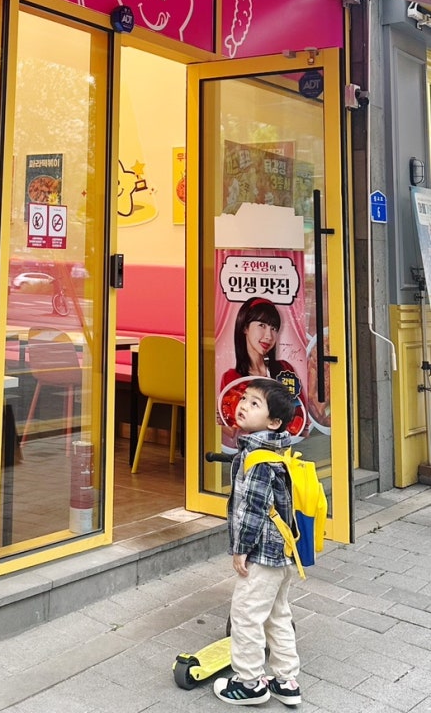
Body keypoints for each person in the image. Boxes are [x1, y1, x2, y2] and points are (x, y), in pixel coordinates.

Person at [214, 378, 301, 707]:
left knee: (246, 615)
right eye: (245, 399)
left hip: (262, 553)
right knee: (277, 614)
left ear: (273, 422)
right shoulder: (276, 450)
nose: (243, 406)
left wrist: (241, 549)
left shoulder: (259, 459)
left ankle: (249, 682)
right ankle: (286, 680)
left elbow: (252, 510)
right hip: (282, 552)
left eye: (254, 404)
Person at [220, 299, 297, 392]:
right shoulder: (232, 378)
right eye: (262, 325)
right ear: (245, 327)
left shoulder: (285, 369)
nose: (269, 336)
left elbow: (298, 401)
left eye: (274, 328)